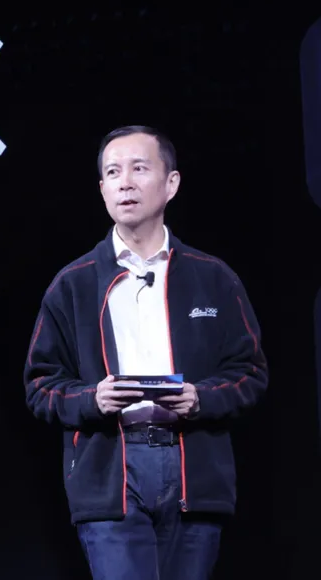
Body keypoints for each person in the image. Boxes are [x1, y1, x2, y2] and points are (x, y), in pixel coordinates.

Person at [22, 125, 268, 580]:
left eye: (139, 168)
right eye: (113, 173)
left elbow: (250, 372)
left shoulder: (213, 277)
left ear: (171, 183)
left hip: (191, 469)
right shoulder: (73, 283)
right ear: (102, 189)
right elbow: (40, 385)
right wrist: (92, 399)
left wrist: (201, 398)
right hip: (111, 473)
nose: (125, 183)